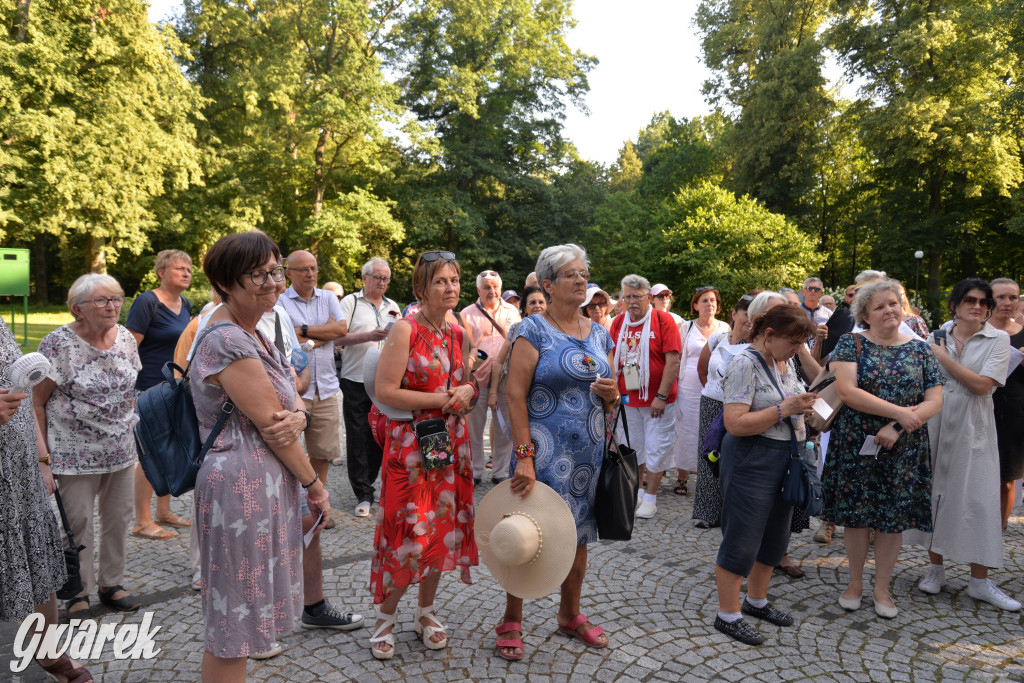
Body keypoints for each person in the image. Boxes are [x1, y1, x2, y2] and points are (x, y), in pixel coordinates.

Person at [191, 231, 330, 681]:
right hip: (240, 488)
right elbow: (275, 428)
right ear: (225, 284)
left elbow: (291, 399)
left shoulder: (257, 333)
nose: (273, 282)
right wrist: (315, 485)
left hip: (260, 486)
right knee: (234, 626)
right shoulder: (227, 340)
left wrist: (299, 416)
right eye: (258, 275)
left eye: (275, 270)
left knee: (247, 619)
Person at [496, 244, 618, 660]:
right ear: (547, 285)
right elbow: (514, 396)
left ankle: (569, 614)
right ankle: (512, 618)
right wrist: (524, 456)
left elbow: (612, 396)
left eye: (584, 273)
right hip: (541, 455)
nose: (581, 280)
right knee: (526, 534)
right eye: (571, 274)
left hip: (588, 456)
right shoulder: (531, 330)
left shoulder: (600, 333)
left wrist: (612, 395)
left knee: (578, 537)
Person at [369, 250, 479, 659]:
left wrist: (468, 391)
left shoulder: (459, 330)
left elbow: (467, 386)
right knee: (406, 529)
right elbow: (386, 391)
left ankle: (425, 612)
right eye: (440, 281)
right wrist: (442, 399)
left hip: (449, 442)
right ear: (422, 287)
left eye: (454, 280)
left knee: (441, 527)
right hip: (411, 445)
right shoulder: (405, 328)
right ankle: (385, 616)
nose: (450, 287)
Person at [821, 279, 943, 619]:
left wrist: (898, 425)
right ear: (865, 315)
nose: (889, 310)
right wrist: (900, 412)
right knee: (857, 517)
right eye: (880, 306)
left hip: (904, 445)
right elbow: (847, 391)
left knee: (892, 520)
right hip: (856, 444)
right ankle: (854, 584)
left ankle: (882, 588)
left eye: (893, 303)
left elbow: (934, 400)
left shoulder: (921, 349)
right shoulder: (851, 342)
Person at [907, 278, 1021, 611]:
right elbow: (923, 381)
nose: (978, 306)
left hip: (974, 424)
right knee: (935, 493)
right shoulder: (937, 336)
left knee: (978, 498)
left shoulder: (998, 339)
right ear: (955, 304)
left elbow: (983, 386)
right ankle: (936, 569)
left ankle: (979, 581)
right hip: (937, 419)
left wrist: (944, 359)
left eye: (984, 302)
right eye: (970, 300)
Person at [33, 274, 143, 617]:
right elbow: (36, 402)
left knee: (118, 518)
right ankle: (78, 591)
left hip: (121, 449)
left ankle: (112, 583)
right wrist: (43, 458)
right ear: (77, 308)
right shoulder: (58, 343)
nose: (112, 306)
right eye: (102, 300)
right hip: (74, 452)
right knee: (77, 523)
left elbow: (130, 389)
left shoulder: (126, 337)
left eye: (116, 299)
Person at [713, 304, 817, 645]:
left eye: (802, 343)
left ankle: (756, 601)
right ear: (769, 335)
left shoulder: (784, 361)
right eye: (794, 342)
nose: (798, 349)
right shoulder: (745, 363)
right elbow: (735, 423)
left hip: (785, 459)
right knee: (742, 536)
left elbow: (787, 403)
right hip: (751, 458)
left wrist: (803, 411)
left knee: (775, 536)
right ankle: (728, 615)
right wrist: (784, 409)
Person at [2, 319, 93, 682]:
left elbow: (22, 395)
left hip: (20, 470)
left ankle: (47, 649)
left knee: (39, 555)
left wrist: (42, 458)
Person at [126, 249, 193, 540]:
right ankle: (142, 521)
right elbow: (127, 348)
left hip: (174, 389)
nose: (186, 273)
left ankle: (163, 512)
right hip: (147, 389)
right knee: (150, 452)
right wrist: (128, 390)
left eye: (189, 269)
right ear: (161, 273)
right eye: (179, 268)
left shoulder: (186, 304)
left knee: (171, 448)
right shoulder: (147, 302)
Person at [278, 250, 348, 523]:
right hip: (293, 389)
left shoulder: (328, 297)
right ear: (288, 273)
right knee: (289, 452)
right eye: (303, 269)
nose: (310, 274)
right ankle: (292, 508)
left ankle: (316, 505)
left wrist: (303, 331)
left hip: (326, 387)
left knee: (321, 452)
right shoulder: (280, 302)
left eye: (314, 268)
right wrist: (323, 332)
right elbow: (285, 340)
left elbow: (341, 330)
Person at [610, 275, 682, 519]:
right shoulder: (618, 323)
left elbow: (673, 361)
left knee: (656, 447)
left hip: (657, 400)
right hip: (628, 399)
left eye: (637, 297)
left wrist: (661, 395)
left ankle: (651, 497)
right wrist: (614, 391)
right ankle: (638, 492)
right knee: (634, 448)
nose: (631, 301)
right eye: (627, 296)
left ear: (649, 297)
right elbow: (612, 358)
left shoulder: (663, 320)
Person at [335, 258, 401, 517]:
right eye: (377, 278)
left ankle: (370, 484)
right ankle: (362, 492)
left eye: (386, 279)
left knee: (380, 436)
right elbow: (336, 338)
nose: (382, 283)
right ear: (364, 278)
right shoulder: (350, 302)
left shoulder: (393, 305)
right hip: (355, 379)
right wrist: (369, 336)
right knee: (358, 435)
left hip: (384, 381)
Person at [692, 292, 755, 528]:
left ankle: (732, 511)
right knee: (709, 454)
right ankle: (707, 511)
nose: (749, 320)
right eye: (746, 314)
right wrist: (715, 392)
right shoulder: (717, 339)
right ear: (734, 314)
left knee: (734, 456)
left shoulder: (757, 345)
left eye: (755, 316)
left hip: (741, 407)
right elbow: (702, 370)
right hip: (712, 403)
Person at [461, 269, 522, 484]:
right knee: (474, 429)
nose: (492, 291)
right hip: (476, 380)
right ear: (478, 290)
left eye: (495, 287)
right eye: (486, 287)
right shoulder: (466, 314)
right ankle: (475, 471)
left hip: (505, 380)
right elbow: (463, 348)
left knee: (504, 429)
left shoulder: (512, 312)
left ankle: (500, 472)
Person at [672, 286, 730, 496]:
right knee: (686, 430)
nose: (709, 304)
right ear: (695, 305)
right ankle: (682, 476)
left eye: (713, 300)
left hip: (715, 386)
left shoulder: (725, 328)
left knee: (711, 430)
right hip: (688, 387)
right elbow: (677, 357)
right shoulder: (686, 328)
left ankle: (708, 476)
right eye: (704, 300)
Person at [487, 286, 548, 482]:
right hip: (518, 395)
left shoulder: (557, 330)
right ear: (524, 308)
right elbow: (499, 362)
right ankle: (513, 477)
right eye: (532, 302)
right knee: (515, 436)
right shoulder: (516, 329)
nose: (537, 306)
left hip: (545, 399)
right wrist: (493, 392)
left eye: (541, 302)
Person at [989, 278, 1024, 528]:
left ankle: (997, 532)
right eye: (1000, 297)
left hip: (1016, 413)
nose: (1007, 302)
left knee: (1007, 478)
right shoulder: (977, 331)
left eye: (1012, 297)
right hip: (980, 408)